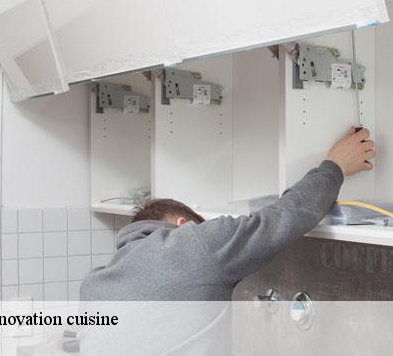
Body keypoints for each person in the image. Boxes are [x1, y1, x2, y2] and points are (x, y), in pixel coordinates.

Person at [80, 127, 374, 301]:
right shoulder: (194, 245)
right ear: (183, 224)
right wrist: (335, 165)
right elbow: (285, 215)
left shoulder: (95, 284)